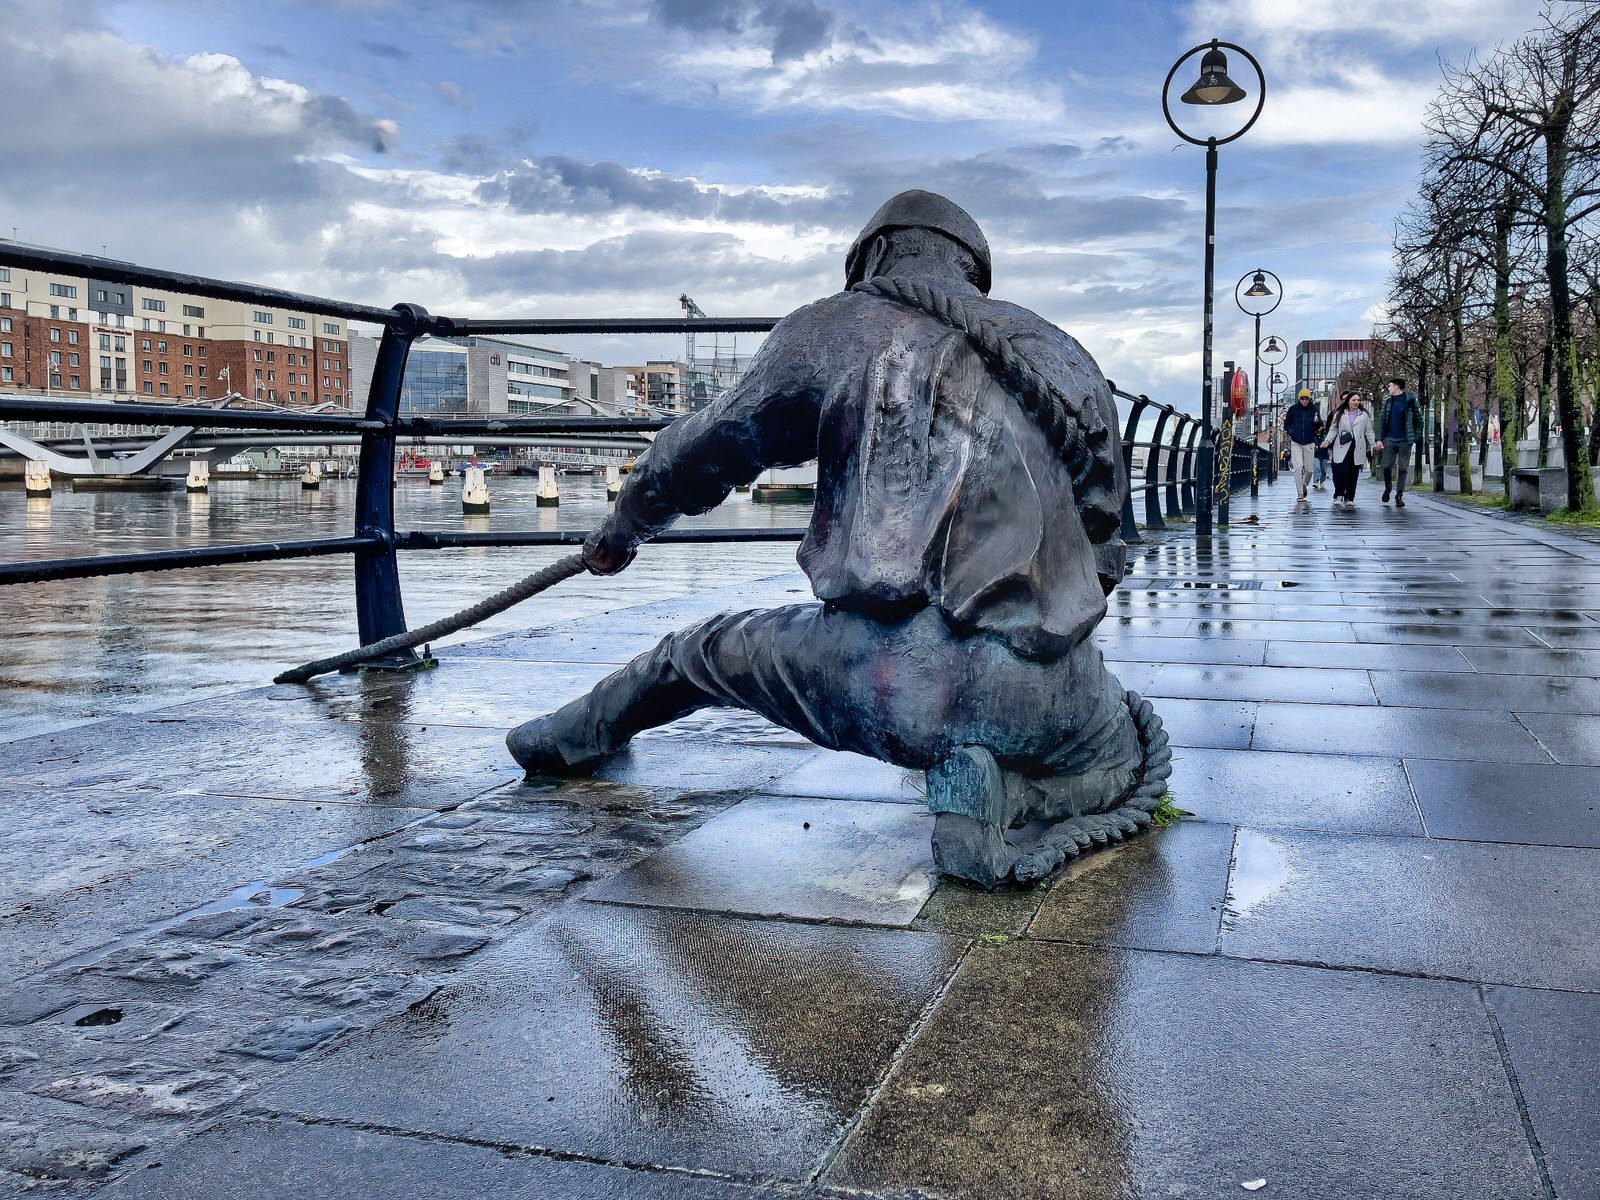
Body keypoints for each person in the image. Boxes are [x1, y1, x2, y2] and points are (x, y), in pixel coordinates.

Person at [504, 190, 1169, 889]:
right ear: (973, 270)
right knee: (1123, 758)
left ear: (874, 256)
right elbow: (1104, 547)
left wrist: (621, 530)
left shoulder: (831, 329)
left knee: (694, 656)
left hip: (899, 683)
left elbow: (699, 453)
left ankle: (572, 736)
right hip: (1047, 686)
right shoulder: (1062, 351)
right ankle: (1011, 790)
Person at [1322, 389, 1374, 508]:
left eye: (1358, 400)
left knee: (1353, 473)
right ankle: (1339, 494)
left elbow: (1369, 431)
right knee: (1342, 471)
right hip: (1342, 446)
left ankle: (1350, 497)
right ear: (1348, 401)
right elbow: (1333, 429)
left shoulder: (1364, 415)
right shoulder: (1340, 413)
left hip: (1357, 446)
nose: (1356, 402)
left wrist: (1374, 443)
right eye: (1353, 400)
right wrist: (1327, 440)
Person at [1374, 377, 1422, 508]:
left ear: (1396, 387)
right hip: (1390, 439)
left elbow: (1419, 420)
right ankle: (1388, 487)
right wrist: (1379, 439)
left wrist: (1414, 437)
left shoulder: (1411, 401)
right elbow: (1382, 422)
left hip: (1405, 440)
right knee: (1386, 466)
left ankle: (1399, 495)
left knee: (1403, 468)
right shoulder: (1388, 402)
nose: (1388, 388)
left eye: (1390, 386)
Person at [1282, 387, 1320, 500]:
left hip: (1309, 441)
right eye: (1303, 398)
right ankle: (1300, 493)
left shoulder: (1314, 409)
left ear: (1309, 399)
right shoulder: (1293, 409)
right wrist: (1291, 432)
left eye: (1307, 399)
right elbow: (1287, 424)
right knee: (1298, 467)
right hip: (1296, 441)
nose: (1305, 401)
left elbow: (1319, 424)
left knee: (1309, 470)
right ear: (1299, 399)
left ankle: (1304, 484)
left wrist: (1317, 423)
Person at [1311, 413, 1330, 489]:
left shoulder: (1325, 434)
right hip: (1316, 454)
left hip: (1324, 454)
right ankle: (1317, 481)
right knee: (1317, 468)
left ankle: (1321, 482)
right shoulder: (1312, 435)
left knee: (1324, 471)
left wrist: (1329, 450)